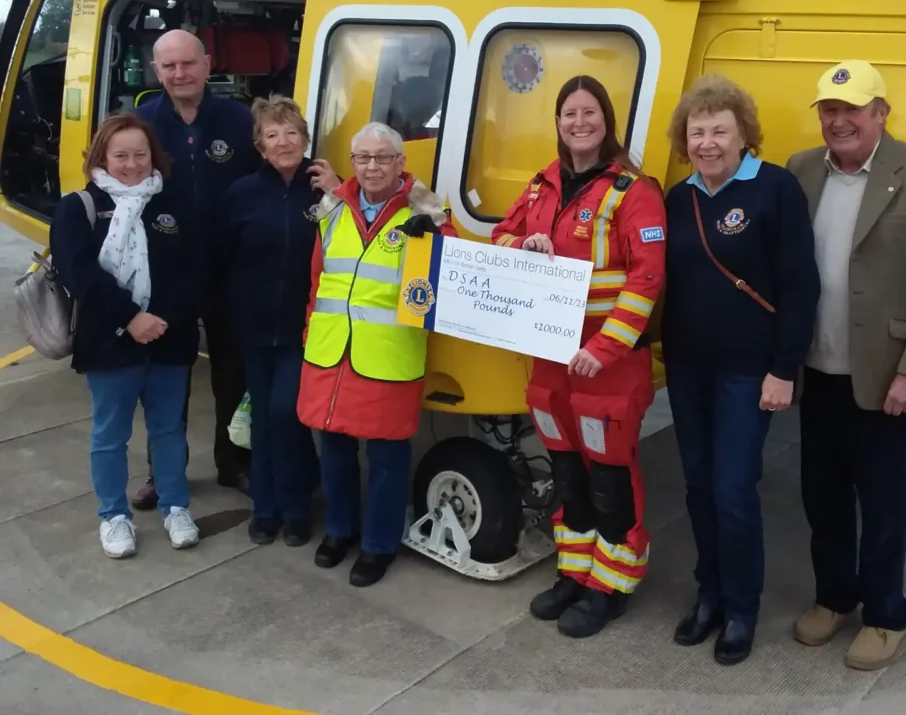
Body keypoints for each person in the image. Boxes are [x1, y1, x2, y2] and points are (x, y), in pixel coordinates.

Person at [786, 60, 906, 671]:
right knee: (823, 497)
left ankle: (886, 614)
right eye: (829, 110)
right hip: (819, 371)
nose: (839, 121)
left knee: (884, 503)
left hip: (885, 376)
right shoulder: (802, 169)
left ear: (881, 112)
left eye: (852, 109)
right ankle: (835, 597)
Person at [492, 75, 666, 639]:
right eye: (569, 114)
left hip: (608, 365)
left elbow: (647, 278)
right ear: (559, 123)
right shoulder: (542, 185)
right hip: (551, 360)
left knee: (609, 478)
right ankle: (576, 570)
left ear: (606, 120)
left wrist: (605, 346)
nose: (579, 123)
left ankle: (610, 585)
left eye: (589, 112)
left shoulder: (634, 191)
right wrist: (524, 245)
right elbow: (499, 236)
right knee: (568, 472)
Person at [660, 75, 821, 665]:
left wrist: (784, 368)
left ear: (742, 134)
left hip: (747, 372)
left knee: (733, 490)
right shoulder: (679, 198)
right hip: (687, 368)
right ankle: (709, 594)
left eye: (719, 130)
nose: (707, 142)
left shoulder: (774, 189)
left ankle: (742, 607)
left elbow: (801, 284)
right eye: (697, 131)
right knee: (699, 487)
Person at [297, 121, 456, 587]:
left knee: (387, 457)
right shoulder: (332, 209)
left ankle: (379, 545)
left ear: (401, 163)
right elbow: (317, 281)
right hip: (331, 353)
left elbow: (456, 274)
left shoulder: (425, 208)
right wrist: (310, 333)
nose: (372, 166)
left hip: (388, 356)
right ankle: (340, 531)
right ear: (353, 163)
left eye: (383, 157)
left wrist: (439, 239)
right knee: (335, 449)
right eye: (363, 158)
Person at [49, 113, 201, 558]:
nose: (132, 164)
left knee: (168, 430)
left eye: (140, 154)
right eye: (121, 155)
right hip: (109, 339)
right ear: (101, 157)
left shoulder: (173, 202)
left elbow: (195, 272)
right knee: (110, 435)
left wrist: (162, 319)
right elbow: (80, 275)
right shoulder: (78, 207)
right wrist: (132, 318)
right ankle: (114, 516)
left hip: (168, 338)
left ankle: (176, 507)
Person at [131, 29, 259, 509]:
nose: (180, 74)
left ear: (208, 65)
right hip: (168, 274)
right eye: (169, 66)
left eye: (188, 64)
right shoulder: (139, 123)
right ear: (156, 71)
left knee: (233, 372)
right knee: (167, 378)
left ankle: (234, 462)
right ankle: (162, 472)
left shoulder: (239, 120)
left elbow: (272, 171)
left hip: (231, 270)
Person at [224, 95, 339, 546]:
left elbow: (353, 238)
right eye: (272, 134)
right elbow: (225, 258)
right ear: (260, 144)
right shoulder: (242, 193)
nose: (283, 141)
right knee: (264, 423)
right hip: (254, 326)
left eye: (291, 132)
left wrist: (335, 191)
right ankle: (265, 509)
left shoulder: (328, 190)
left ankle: (295, 508)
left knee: (285, 413)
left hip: (306, 326)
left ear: (306, 138)